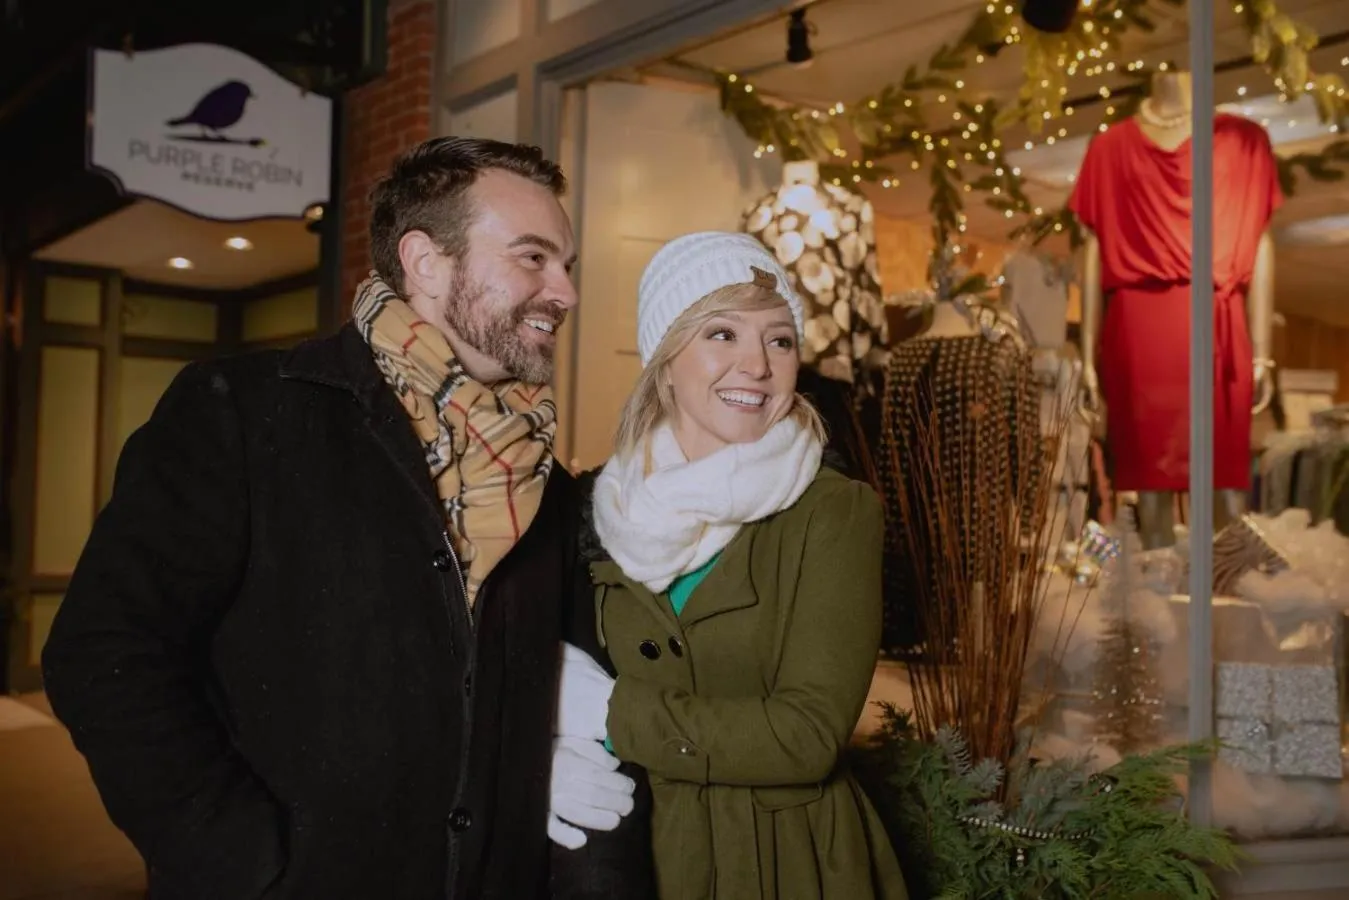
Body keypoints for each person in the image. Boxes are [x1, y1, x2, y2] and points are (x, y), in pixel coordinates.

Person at [40, 137, 634, 900]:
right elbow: (104, 651)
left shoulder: (540, 477)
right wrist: (236, 856)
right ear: (425, 262)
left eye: (567, 265)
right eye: (532, 257)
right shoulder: (248, 413)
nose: (565, 291)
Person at [554, 232, 910, 899]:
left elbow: (806, 735)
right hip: (632, 852)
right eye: (721, 334)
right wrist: (544, 751)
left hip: (783, 861)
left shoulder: (833, 512)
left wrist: (606, 713)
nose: (756, 364)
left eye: (779, 340)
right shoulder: (593, 507)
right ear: (665, 362)